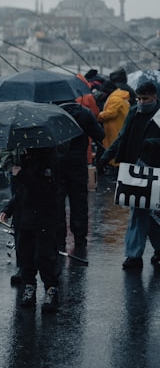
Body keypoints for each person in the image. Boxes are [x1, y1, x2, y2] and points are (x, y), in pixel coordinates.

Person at [99, 81, 160, 270]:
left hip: (156, 170)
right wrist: (106, 156)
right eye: (139, 98)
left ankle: (153, 251)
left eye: (145, 99)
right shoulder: (134, 112)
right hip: (134, 170)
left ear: (155, 97)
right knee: (139, 212)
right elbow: (122, 137)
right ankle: (134, 255)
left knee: (153, 213)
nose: (141, 102)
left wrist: (152, 143)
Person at [0, 148, 62, 312]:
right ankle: (29, 287)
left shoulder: (49, 165)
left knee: (44, 256)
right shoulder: (25, 162)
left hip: (43, 218)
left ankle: (51, 289)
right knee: (25, 254)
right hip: (24, 218)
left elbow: (44, 191)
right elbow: (21, 193)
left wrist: (21, 175)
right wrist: (8, 209)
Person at [54, 99, 105, 256]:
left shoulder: (54, 113)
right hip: (78, 162)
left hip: (57, 162)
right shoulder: (84, 113)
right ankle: (79, 239)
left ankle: (59, 238)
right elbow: (99, 134)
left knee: (57, 201)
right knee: (79, 201)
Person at [97, 85, 131, 167]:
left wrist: (99, 115)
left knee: (113, 148)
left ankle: (114, 166)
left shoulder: (114, 99)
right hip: (119, 125)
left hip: (114, 128)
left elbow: (110, 113)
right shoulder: (120, 97)